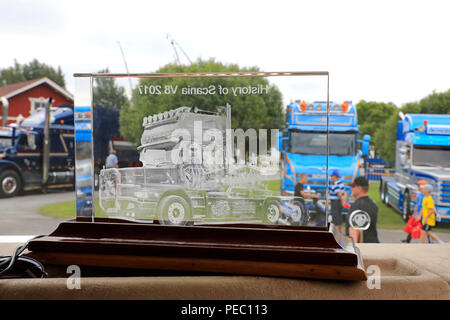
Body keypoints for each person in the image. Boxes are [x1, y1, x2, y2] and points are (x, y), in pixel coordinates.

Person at [348, 176, 379, 243]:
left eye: (353, 186)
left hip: (362, 245)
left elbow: (354, 229)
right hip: (374, 243)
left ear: (359, 188)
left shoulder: (356, 206)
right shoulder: (374, 204)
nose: (351, 189)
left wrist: (354, 249)